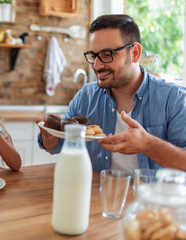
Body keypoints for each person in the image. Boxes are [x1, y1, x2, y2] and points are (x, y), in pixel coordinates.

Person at [37, 14, 186, 173]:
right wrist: (49, 136)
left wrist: (149, 145)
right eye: (93, 56)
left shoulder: (174, 99)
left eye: (107, 54)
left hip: (152, 197)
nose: (97, 65)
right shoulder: (86, 97)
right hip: (97, 195)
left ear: (135, 53)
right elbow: (57, 145)